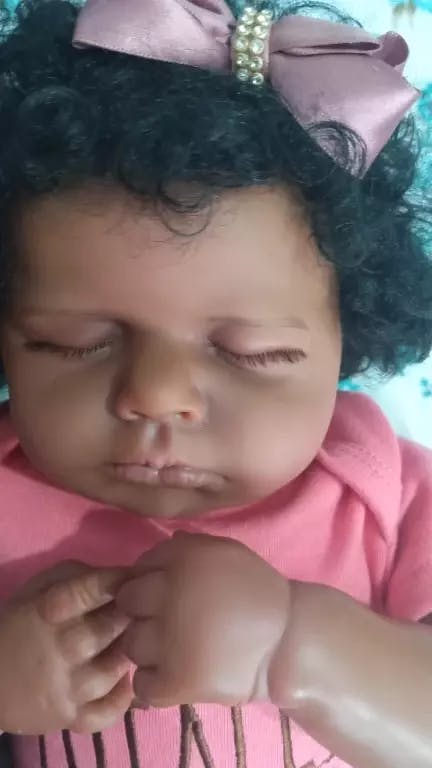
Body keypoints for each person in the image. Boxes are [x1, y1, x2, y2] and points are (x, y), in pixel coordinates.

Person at [0, 0, 431, 766]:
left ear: (350, 336)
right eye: (74, 343)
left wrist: (296, 645)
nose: (157, 395)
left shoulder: (388, 495)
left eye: (252, 353)